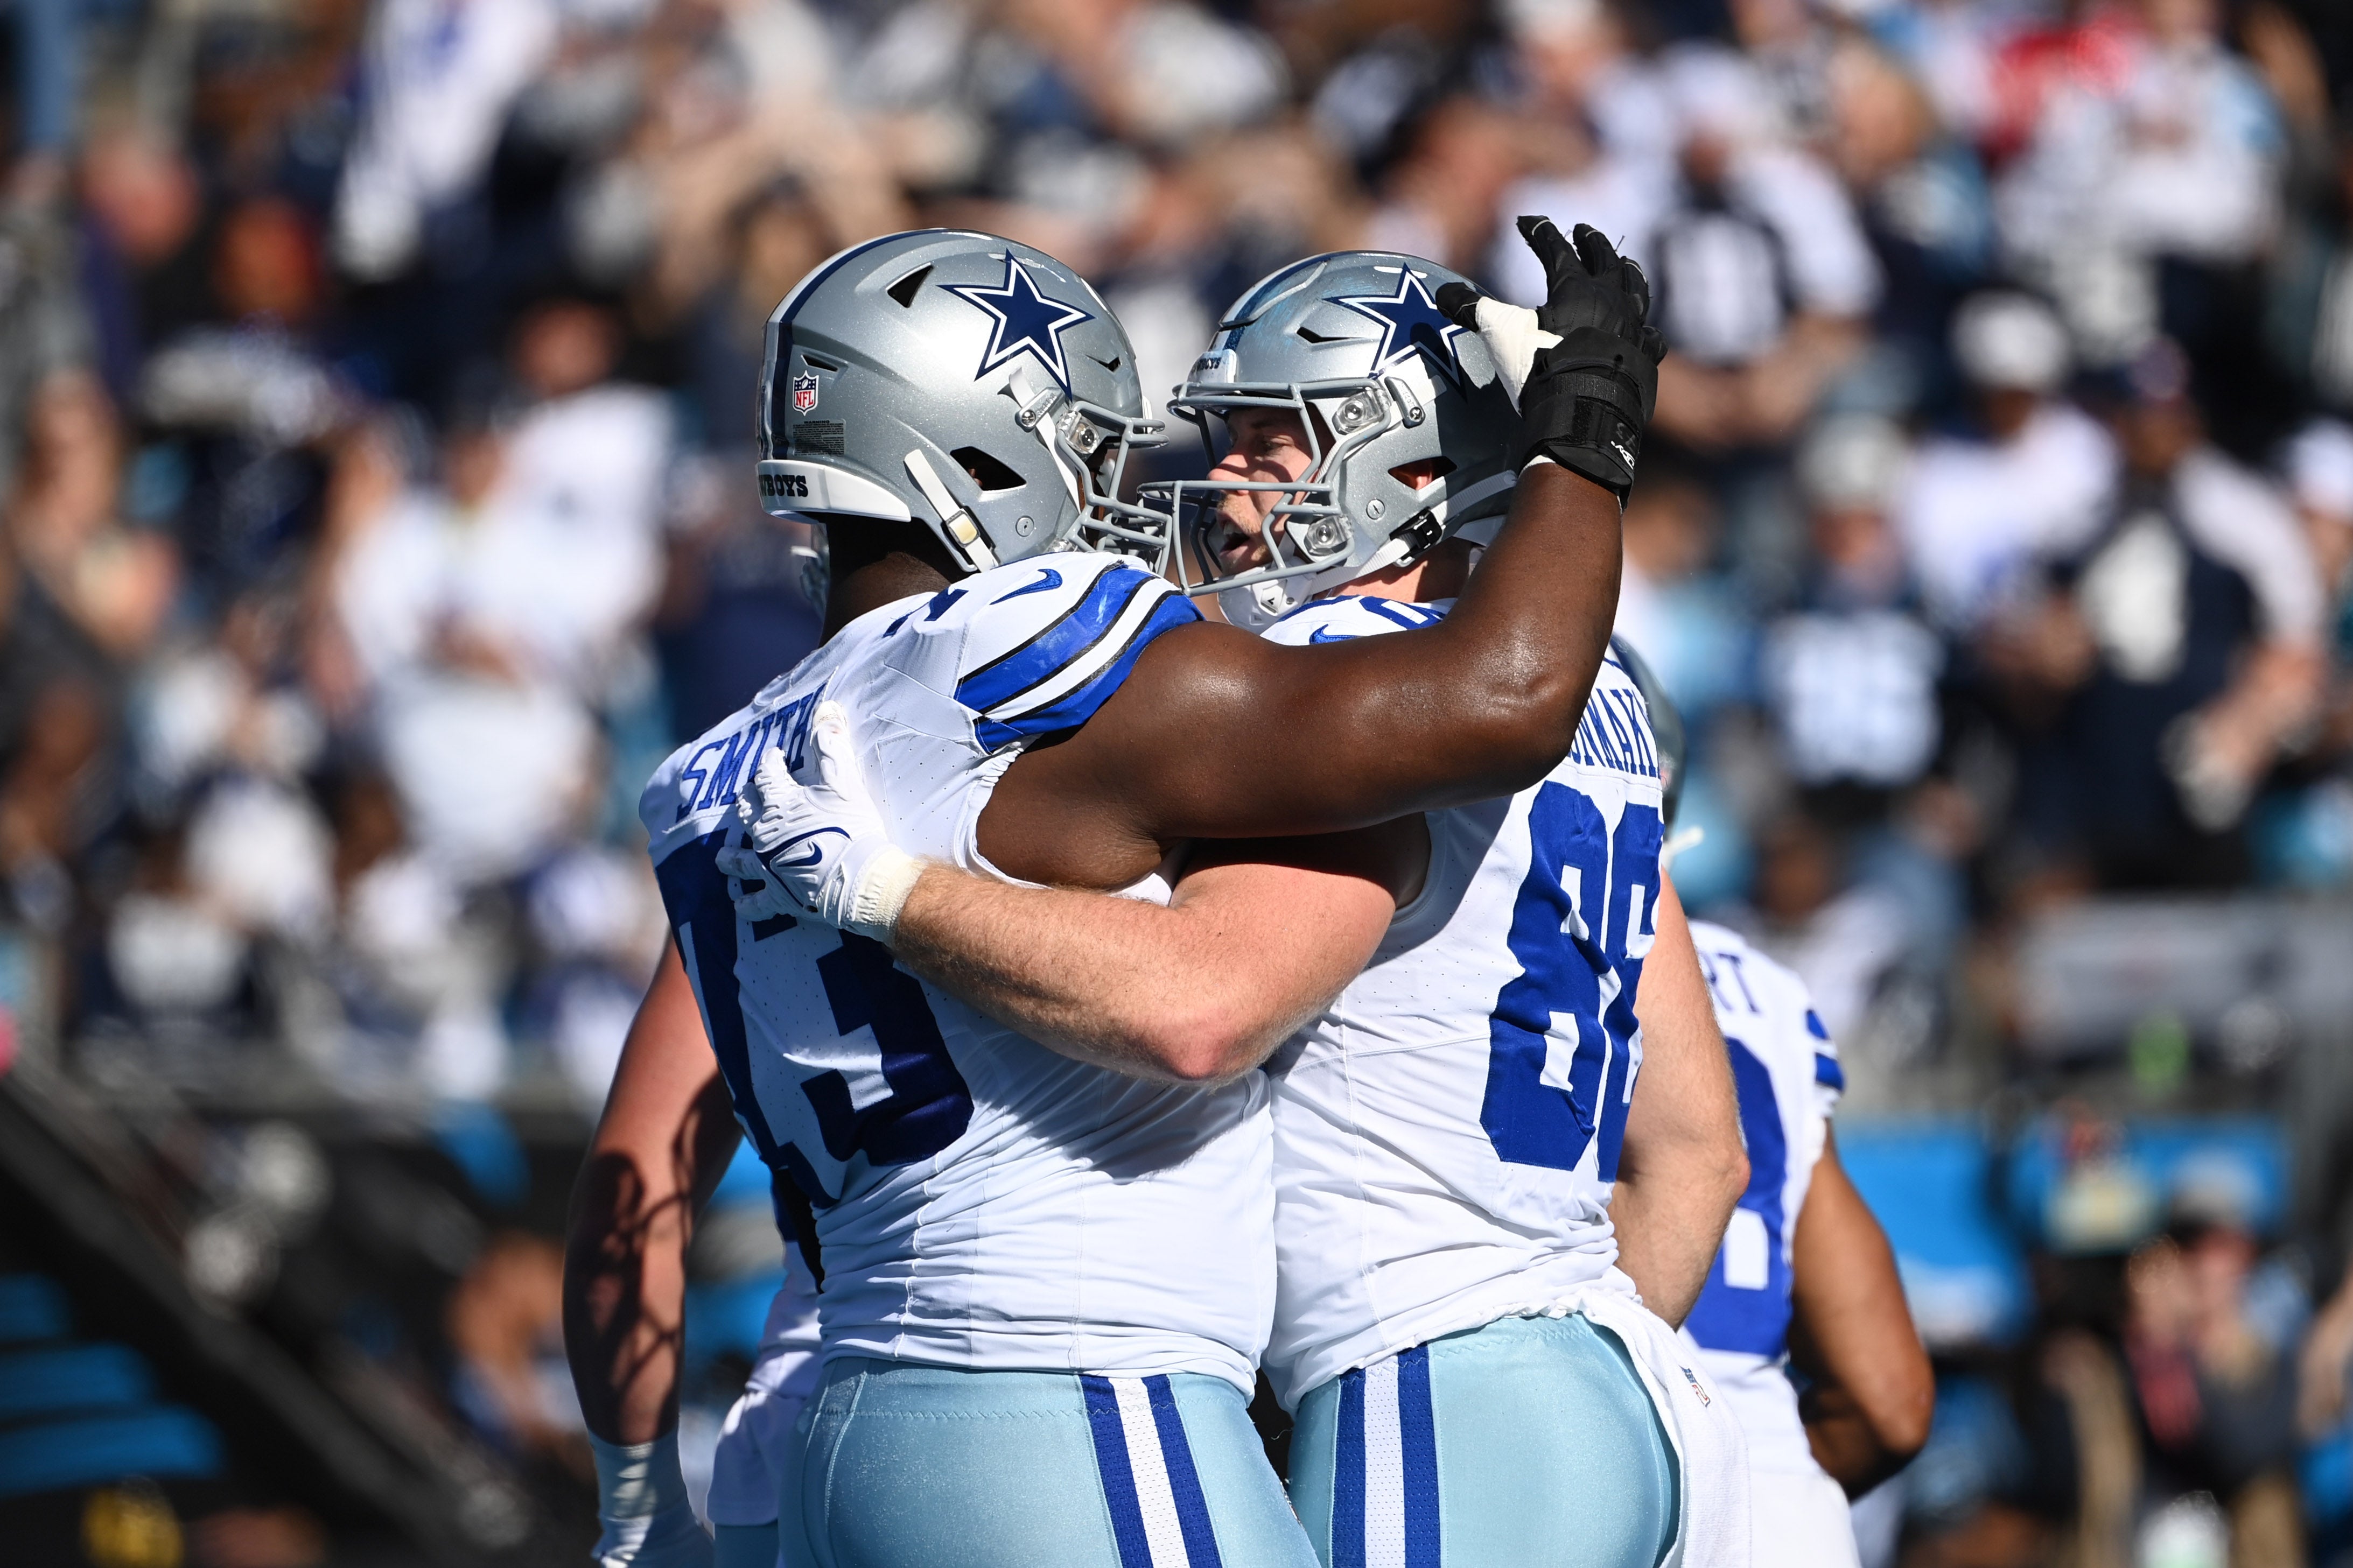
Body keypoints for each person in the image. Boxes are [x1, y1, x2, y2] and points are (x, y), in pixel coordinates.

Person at [563, 220, 1672, 1568]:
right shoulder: (1029, 654)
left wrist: (634, 1515)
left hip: (850, 1413)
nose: (1138, 490)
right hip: (1072, 1387)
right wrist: (1586, 450)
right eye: (1089, 446)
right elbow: (1498, 701)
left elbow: (639, 1158)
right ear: (978, 448)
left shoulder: (720, 769)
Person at [1640, 658, 1934, 1567]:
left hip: (1565, 1470)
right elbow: (1887, 1397)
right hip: (1773, 1506)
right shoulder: (1762, 989)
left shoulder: (1483, 948)